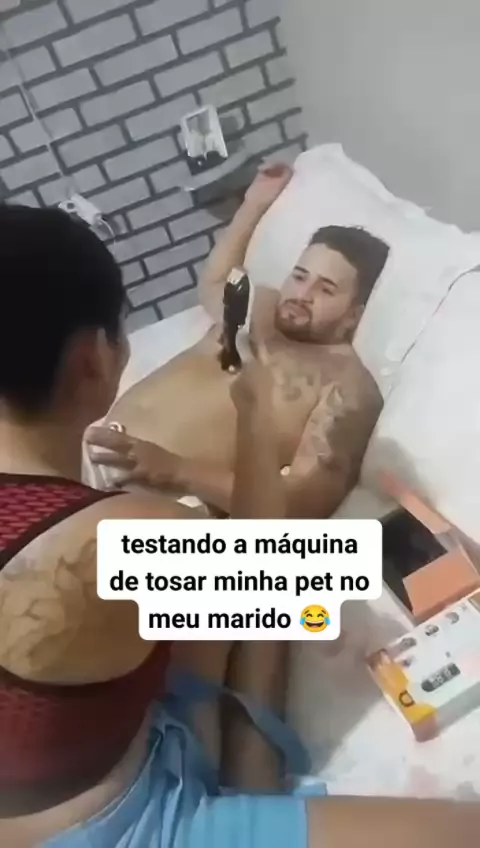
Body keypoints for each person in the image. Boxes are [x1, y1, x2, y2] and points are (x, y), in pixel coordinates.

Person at [0, 205, 477, 847]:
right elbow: (299, 581)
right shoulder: (111, 541)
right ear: (92, 360)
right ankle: (251, 767)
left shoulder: (343, 381)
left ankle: (247, 758)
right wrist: (253, 425)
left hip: (87, 752)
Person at [87, 164, 388, 521]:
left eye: (325, 289)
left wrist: (174, 469)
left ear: (353, 315)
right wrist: (254, 202)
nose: (302, 295)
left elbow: (306, 504)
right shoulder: (259, 308)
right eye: (299, 276)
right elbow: (213, 283)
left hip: (158, 504)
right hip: (88, 455)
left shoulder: (347, 387)